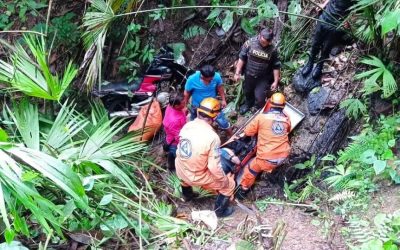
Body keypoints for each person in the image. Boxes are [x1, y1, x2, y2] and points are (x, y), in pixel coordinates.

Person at [175, 97, 235, 217]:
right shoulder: (213, 137)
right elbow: (214, 167)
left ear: (198, 111)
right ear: (215, 117)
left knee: (185, 177)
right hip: (195, 176)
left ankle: (187, 195)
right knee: (229, 185)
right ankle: (220, 212)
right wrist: (224, 180)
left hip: (180, 169)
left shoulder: (188, 126)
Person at [236, 93, 291, 199]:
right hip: (283, 156)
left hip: (267, 157)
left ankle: (243, 191)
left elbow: (248, 132)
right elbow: (287, 131)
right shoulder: (286, 119)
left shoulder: (262, 117)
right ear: (283, 106)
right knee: (267, 163)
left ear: (270, 103)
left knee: (251, 170)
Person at [301, 0, 356, 80]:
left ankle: (320, 65)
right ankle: (310, 62)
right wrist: (324, 4)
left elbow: (356, 10)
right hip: (325, 16)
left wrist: (349, 21)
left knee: (327, 47)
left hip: (336, 24)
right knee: (316, 42)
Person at [234, 28, 281, 115]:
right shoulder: (249, 43)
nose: (264, 44)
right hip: (249, 74)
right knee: (248, 91)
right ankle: (248, 104)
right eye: (263, 42)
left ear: (270, 42)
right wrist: (237, 73)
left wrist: (275, 81)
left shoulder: (273, 50)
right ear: (260, 36)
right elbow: (242, 58)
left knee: (260, 98)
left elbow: (276, 66)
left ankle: (257, 108)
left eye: (266, 43)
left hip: (263, 77)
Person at [184, 65, 233, 136]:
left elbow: (220, 87)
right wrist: (185, 105)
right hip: (197, 106)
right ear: (203, 77)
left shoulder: (216, 76)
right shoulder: (192, 79)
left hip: (212, 106)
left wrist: (223, 99)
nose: (212, 79)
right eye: (210, 79)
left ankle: (232, 136)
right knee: (194, 123)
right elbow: (187, 93)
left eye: (213, 77)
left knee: (222, 122)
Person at [162, 92, 187, 171]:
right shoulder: (174, 121)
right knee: (176, 156)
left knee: (171, 155)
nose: (185, 103)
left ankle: (171, 165)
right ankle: (173, 171)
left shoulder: (170, 106)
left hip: (170, 135)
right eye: (183, 103)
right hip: (175, 142)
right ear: (176, 105)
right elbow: (178, 137)